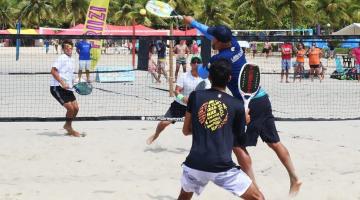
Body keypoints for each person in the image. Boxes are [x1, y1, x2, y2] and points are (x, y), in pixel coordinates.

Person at [183, 16, 302, 196]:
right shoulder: (234, 43)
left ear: (221, 42)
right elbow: (208, 32)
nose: (211, 39)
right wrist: (192, 22)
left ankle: (254, 188)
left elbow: (201, 73)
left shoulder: (221, 59)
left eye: (214, 38)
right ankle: (295, 177)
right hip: (262, 97)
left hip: (250, 103)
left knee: (237, 145)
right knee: (274, 142)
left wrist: (194, 68)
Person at [178, 59, 264, 200]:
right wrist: (245, 121)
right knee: (258, 198)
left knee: (183, 197)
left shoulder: (195, 96)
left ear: (209, 77)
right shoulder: (236, 105)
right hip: (222, 166)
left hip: (195, 164)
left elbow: (186, 131)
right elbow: (240, 141)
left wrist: (206, 127)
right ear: (229, 78)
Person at [146, 56, 204, 145]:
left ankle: (200, 144)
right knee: (163, 123)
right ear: (191, 64)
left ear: (201, 64)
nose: (196, 63)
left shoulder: (203, 79)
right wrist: (183, 98)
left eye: (198, 62)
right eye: (194, 61)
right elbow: (176, 91)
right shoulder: (184, 76)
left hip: (194, 107)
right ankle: (156, 135)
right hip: (179, 105)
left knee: (192, 130)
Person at [50, 40, 81, 137]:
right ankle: (69, 127)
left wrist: (75, 83)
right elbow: (53, 71)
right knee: (70, 109)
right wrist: (62, 82)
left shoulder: (71, 59)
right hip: (57, 87)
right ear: (63, 49)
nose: (69, 49)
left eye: (71, 47)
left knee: (76, 109)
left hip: (68, 88)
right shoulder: (62, 58)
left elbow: (70, 75)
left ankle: (67, 125)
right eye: (67, 48)